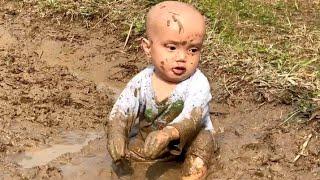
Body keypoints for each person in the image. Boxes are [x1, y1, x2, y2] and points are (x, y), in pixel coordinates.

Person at [105, 1, 216, 179]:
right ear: (147, 48)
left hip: (185, 144)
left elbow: (192, 118)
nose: (182, 57)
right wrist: (117, 134)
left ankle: (192, 175)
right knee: (123, 153)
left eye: (193, 50)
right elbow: (121, 111)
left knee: (204, 142)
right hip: (149, 141)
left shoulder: (198, 83)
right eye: (172, 48)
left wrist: (168, 134)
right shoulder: (141, 81)